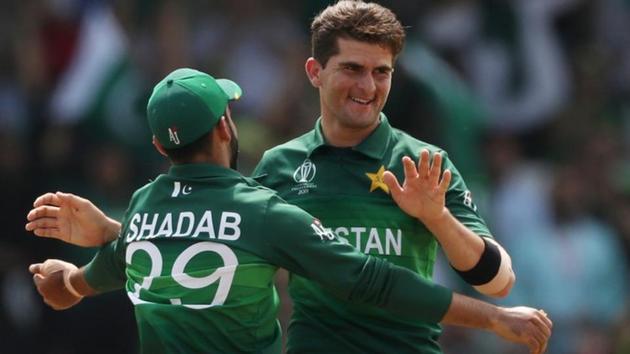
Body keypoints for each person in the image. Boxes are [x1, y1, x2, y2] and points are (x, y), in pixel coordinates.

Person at [27, 68, 552, 354]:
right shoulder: (262, 212)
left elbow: (114, 267)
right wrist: (494, 316)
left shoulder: (143, 208)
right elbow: (376, 282)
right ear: (226, 128)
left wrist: (69, 279)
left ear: (160, 148)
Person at [251, 1, 516, 353]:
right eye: (352, 68)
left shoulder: (425, 163)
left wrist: (436, 217)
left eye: (381, 72)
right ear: (315, 72)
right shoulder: (279, 166)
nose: (368, 87)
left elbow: (497, 283)